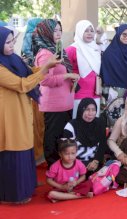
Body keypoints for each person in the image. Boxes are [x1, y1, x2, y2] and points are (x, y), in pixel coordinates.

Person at [0, 26, 61, 204]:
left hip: (21, 109)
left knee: (26, 145)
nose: (12, 45)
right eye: (8, 42)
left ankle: (27, 185)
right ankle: (12, 195)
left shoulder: (13, 59)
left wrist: (44, 66)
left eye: (13, 41)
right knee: (14, 147)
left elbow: (29, 73)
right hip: (9, 114)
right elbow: (22, 84)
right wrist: (44, 70)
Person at [33, 19, 78, 166]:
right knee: (53, 139)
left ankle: (61, 168)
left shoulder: (56, 49)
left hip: (64, 102)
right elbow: (44, 80)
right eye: (55, 30)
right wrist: (67, 76)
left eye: (60, 30)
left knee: (61, 138)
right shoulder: (45, 53)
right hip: (53, 104)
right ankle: (53, 168)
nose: (59, 33)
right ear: (46, 32)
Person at [65, 20, 101, 118]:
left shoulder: (96, 48)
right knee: (79, 123)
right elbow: (64, 70)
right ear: (80, 32)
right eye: (86, 31)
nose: (89, 33)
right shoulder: (71, 49)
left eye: (91, 30)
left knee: (93, 124)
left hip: (95, 92)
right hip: (78, 93)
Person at [100, 24, 127, 105]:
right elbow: (103, 74)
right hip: (113, 93)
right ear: (118, 34)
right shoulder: (109, 53)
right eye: (124, 34)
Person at [62, 98, 107, 176]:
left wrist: (96, 161)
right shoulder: (71, 126)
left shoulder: (100, 123)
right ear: (81, 110)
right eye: (87, 109)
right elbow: (66, 150)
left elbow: (102, 145)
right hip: (75, 163)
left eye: (93, 110)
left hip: (94, 162)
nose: (90, 113)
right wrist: (79, 165)